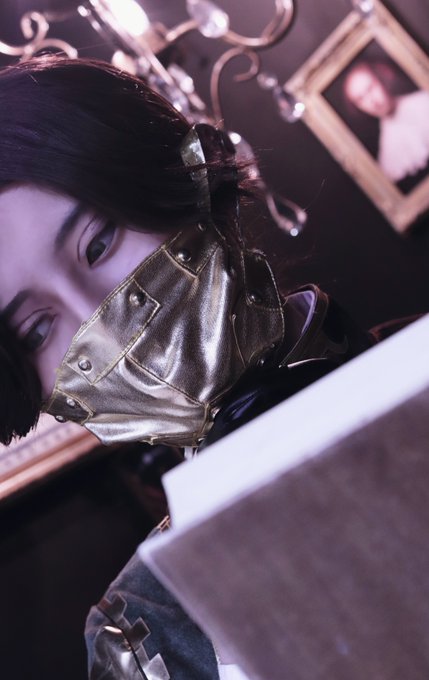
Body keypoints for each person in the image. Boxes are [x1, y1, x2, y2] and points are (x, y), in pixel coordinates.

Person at [0, 56, 374, 679]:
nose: (101, 321)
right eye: (37, 329)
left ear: (191, 181)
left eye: (98, 244)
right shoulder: (146, 633)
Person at [343, 60, 429, 183]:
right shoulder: (386, 155)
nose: (372, 101)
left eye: (370, 88)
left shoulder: (424, 101)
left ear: (381, 79)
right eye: (360, 99)